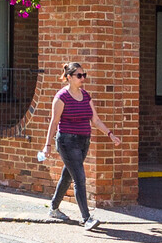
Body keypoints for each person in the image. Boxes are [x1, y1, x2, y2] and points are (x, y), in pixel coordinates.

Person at [39, 60, 120, 230]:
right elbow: (54, 122)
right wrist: (47, 145)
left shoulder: (86, 96)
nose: (83, 78)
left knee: (68, 175)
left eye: (84, 75)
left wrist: (110, 134)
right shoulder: (61, 97)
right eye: (79, 75)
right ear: (69, 77)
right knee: (80, 178)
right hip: (67, 141)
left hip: (84, 140)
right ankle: (86, 218)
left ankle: (53, 208)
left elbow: (95, 119)